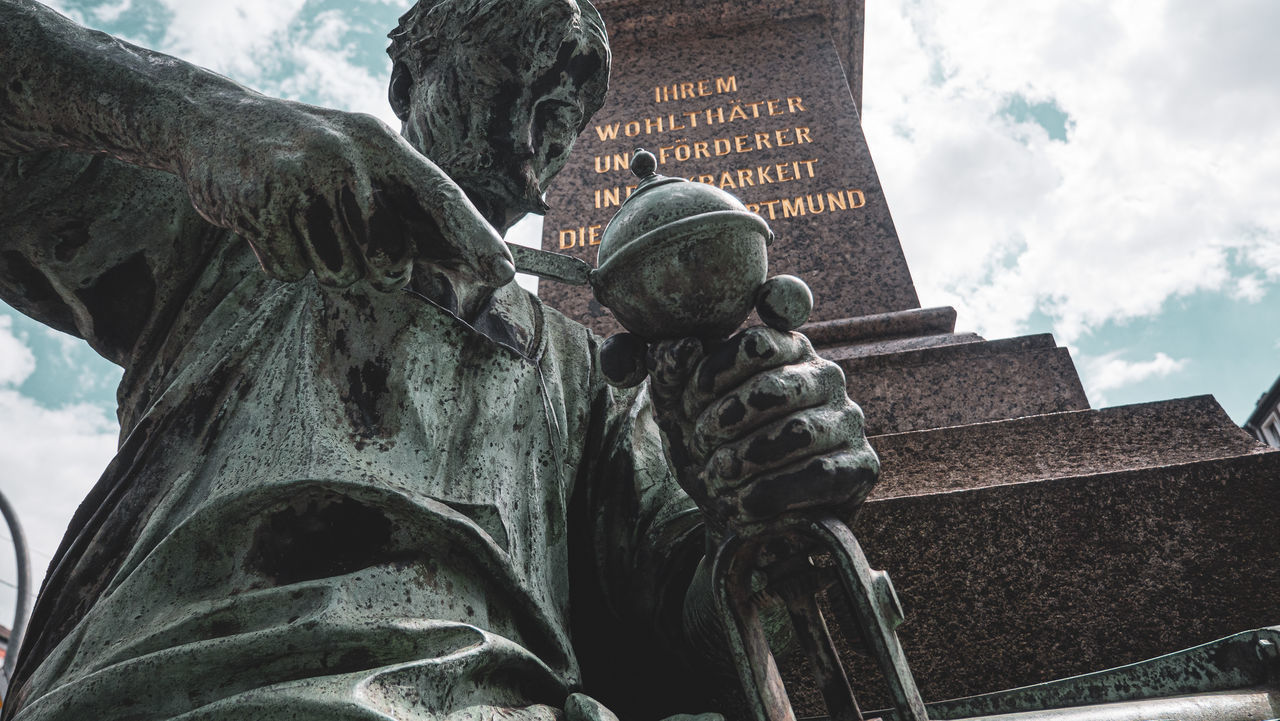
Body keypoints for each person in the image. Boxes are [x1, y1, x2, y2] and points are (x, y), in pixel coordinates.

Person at [0, 0, 880, 718]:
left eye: (564, 117)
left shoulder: (593, 378)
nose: (534, 136)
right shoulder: (237, 229)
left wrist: (753, 501)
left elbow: (701, 638)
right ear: (407, 80)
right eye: (509, 76)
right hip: (202, 684)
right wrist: (204, 123)